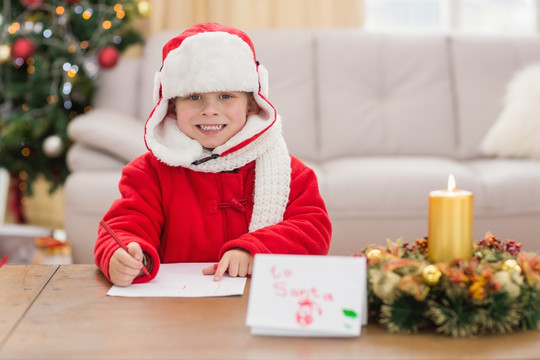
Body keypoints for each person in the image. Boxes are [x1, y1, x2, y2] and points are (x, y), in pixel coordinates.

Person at [94, 22, 332, 287]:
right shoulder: (150, 173)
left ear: (252, 103)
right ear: (171, 106)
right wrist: (122, 256)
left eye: (225, 96)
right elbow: (123, 226)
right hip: (177, 311)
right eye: (194, 97)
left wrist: (253, 250)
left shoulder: (289, 172)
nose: (209, 110)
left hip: (254, 304)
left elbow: (313, 229)